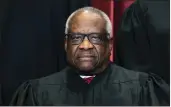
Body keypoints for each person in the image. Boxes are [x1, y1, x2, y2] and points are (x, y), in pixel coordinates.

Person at [9, 7, 169, 106]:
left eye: (95, 37)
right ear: (66, 44)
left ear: (110, 44)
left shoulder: (142, 89)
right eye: (76, 38)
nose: (86, 46)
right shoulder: (37, 93)